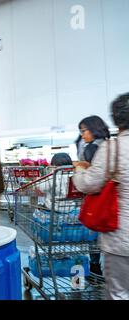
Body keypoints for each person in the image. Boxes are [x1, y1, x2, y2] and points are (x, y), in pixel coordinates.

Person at [73, 93, 129, 300]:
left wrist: (79, 169)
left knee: (119, 293)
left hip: (121, 236)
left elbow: (89, 184)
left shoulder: (112, 148)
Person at [76, 116, 110, 277]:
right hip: (110, 198)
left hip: (98, 198)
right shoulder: (109, 145)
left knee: (93, 233)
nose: (82, 135)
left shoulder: (92, 148)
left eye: (84, 131)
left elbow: (89, 181)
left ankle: (95, 264)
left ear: (93, 129)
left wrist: (79, 168)